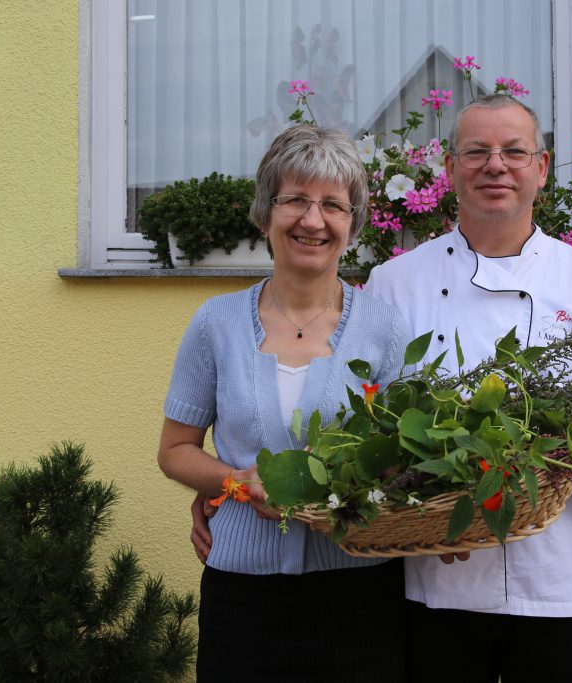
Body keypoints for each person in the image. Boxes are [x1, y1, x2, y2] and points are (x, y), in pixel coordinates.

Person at [191, 95, 572, 682]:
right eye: (476, 151)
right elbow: (361, 425)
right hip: (433, 583)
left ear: (543, 167)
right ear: (451, 168)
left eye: (514, 151)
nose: (495, 166)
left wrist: (558, 473)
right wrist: (229, 483)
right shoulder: (395, 283)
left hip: (556, 575)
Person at [159, 124, 411, 683]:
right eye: (295, 199)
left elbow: (403, 464)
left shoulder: (387, 330)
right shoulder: (217, 324)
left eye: (333, 205)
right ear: (266, 212)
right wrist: (234, 483)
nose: (313, 220)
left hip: (359, 590)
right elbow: (176, 451)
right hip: (244, 595)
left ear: (354, 222)